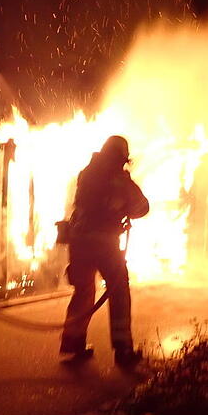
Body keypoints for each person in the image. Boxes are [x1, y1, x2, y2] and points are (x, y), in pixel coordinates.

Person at [60, 135, 149, 368]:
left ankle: (73, 343)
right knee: (119, 290)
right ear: (120, 158)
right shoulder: (119, 179)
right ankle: (123, 350)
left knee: (83, 291)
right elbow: (142, 205)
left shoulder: (86, 174)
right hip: (104, 242)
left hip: (78, 241)